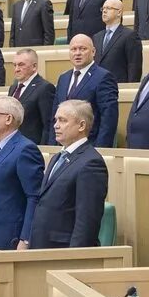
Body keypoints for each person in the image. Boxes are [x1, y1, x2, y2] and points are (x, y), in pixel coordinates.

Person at [30, 100, 108, 249]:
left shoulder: (91, 162)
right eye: (56, 120)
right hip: (43, 246)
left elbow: (86, 221)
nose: (56, 125)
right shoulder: (57, 157)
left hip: (63, 251)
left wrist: (74, 257)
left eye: (63, 120)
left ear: (82, 125)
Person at [0, 96, 43, 249]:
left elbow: (34, 197)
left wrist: (25, 239)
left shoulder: (25, 149)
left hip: (11, 239)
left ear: (8, 119)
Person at [53, 34, 120, 146]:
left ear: (93, 52)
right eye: (74, 49)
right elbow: (53, 115)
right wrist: (53, 146)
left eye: (83, 49)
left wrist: (101, 149)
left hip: (89, 145)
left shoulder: (104, 77)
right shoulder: (63, 78)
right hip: (62, 146)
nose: (77, 53)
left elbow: (108, 118)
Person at [93, 0, 141, 83]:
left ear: (119, 12)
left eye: (108, 8)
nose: (104, 11)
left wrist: (129, 88)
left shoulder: (129, 35)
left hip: (118, 86)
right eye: (103, 8)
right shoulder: (97, 36)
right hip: (97, 85)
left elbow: (134, 66)